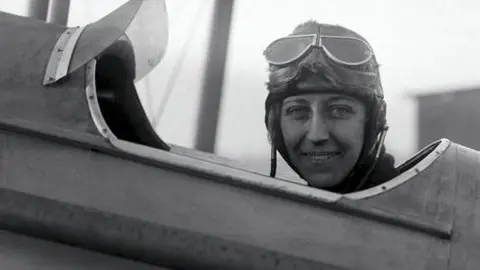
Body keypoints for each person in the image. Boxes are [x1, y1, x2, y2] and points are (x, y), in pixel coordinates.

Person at [263, 20, 398, 193]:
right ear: (274, 123)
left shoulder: (425, 211)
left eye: (339, 110)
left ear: (375, 121)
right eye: (297, 111)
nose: (317, 135)